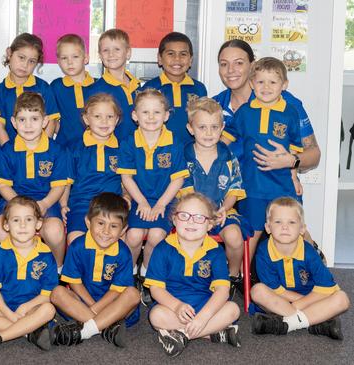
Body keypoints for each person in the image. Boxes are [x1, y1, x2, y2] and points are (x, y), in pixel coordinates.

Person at [222, 57, 303, 255]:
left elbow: (295, 147)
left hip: (282, 185)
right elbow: (226, 138)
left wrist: (294, 176)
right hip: (252, 185)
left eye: (273, 82)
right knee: (252, 234)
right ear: (252, 84)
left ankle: (300, 276)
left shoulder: (290, 112)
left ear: (284, 85)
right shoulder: (244, 112)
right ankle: (243, 280)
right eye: (260, 82)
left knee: (290, 233)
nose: (266, 87)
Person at [146, 193, 241, 357]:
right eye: (184, 216)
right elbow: (156, 289)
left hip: (206, 308)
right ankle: (212, 333)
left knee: (233, 309)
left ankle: (182, 336)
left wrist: (203, 318)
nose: (190, 221)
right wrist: (177, 306)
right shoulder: (163, 248)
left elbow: (222, 291)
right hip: (174, 309)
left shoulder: (215, 251)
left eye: (199, 217)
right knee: (155, 316)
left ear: (210, 224)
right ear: (175, 220)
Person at [117, 89, 189, 288]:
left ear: (166, 116)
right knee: (132, 236)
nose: (150, 117)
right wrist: (141, 201)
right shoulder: (129, 143)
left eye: (156, 112)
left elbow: (177, 180)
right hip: (138, 199)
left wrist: (160, 205)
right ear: (135, 115)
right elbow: (126, 177)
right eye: (145, 112)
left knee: (156, 236)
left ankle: (147, 273)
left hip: (164, 201)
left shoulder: (174, 143)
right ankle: (128, 273)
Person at [250, 197, 349, 340]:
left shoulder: (309, 253)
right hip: (280, 301)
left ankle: (285, 324)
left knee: (342, 299)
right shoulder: (264, 252)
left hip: (310, 298)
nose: (285, 227)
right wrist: (302, 304)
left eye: (291, 222)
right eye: (278, 222)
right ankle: (315, 321)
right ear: (268, 227)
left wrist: (299, 304)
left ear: (302, 229)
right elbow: (275, 290)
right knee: (257, 291)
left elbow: (326, 288)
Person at [214, 39, 320, 172]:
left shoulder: (285, 102)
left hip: (276, 188)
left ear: (252, 66)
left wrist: (291, 161)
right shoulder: (214, 106)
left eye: (239, 63)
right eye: (224, 64)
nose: (230, 70)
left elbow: (314, 155)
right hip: (229, 189)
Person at [50, 193, 141, 348]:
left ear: (123, 229)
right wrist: (93, 307)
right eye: (100, 223)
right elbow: (74, 283)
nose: (106, 231)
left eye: (113, 226)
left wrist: (96, 308)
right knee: (57, 293)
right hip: (83, 304)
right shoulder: (77, 246)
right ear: (88, 222)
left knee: (133, 294)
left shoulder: (123, 252)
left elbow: (117, 290)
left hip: (113, 305)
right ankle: (107, 327)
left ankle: (85, 331)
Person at [0, 196, 58, 355]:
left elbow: (47, 295)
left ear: (38, 223)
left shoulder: (46, 255)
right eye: (16, 220)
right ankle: (29, 332)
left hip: (32, 308)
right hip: (3, 308)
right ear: (6, 225)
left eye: (29, 219)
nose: (23, 225)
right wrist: (9, 314)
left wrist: (25, 308)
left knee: (49, 309)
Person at [180, 96, 249, 293]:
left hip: (221, 211)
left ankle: (232, 276)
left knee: (235, 238)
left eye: (214, 127)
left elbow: (234, 189)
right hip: (190, 214)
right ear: (191, 128)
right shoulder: (184, 156)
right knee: (187, 237)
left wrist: (224, 209)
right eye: (202, 127)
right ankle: (189, 279)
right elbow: (185, 192)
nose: (209, 133)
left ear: (222, 127)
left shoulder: (228, 157)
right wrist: (201, 216)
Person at [0, 92, 69, 266]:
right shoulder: (6, 151)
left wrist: (43, 204)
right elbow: (3, 186)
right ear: (13, 122)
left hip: (45, 203)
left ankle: (56, 270)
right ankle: (8, 270)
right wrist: (21, 207)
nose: (28, 125)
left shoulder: (57, 151)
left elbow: (58, 187)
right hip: (13, 201)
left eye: (34, 119)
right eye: (22, 119)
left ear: (44, 121)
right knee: (0, 229)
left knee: (55, 231)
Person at [61, 93, 123, 244]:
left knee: (123, 240)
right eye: (97, 116)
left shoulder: (123, 148)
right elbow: (66, 182)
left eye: (109, 116)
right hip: (82, 204)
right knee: (75, 239)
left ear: (117, 119)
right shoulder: (73, 147)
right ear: (86, 119)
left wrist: (127, 198)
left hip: (113, 206)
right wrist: (63, 205)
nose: (104, 121)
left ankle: (119, 267)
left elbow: (126, 180)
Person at [0, 33, 60, 145]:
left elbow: (51, 121)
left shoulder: (43, 88)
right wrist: (9, 153)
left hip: (39, 152)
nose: (25, 65)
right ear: (9, 53)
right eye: (21, 58)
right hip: (10, 154)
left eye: (32, 61)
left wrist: (43, 149)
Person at [141, 32, 207, 143]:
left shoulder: (199, 88)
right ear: (160, 58)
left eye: (183, 54)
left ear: (190, 60)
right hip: (159, 151)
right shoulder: (150, 89)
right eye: (171, 54)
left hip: (191, 152)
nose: (177, 59)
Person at [87, 29, 140, 138]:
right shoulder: (95, 90)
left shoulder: (138, 87)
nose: (111, 54)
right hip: (111, 151)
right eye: (106, 50)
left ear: (128, 53)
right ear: (100, 56)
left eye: (117, 49)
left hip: (137, 150)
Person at [50, 34, 95, 147]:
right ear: (58, 62)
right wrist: (63, 133)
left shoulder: (98, 85)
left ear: (85, 58)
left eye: (75, 56)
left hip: (94, 148)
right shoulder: (56, 86)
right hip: (65, 147)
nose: (70, 62)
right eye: (64, 58)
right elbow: (50, 117)